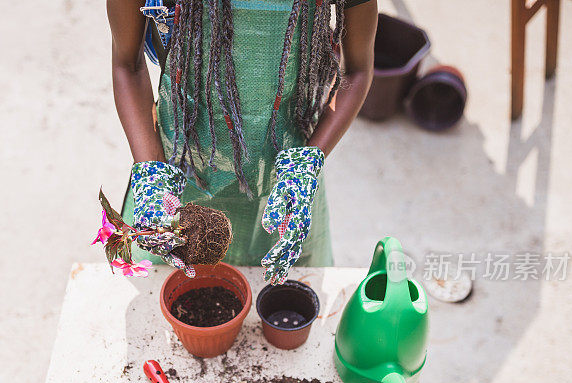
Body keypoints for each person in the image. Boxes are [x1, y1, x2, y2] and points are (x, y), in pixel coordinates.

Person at [108, 0, 377, 284]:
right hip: (176, 170)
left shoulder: (294, 177)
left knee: (288, 290)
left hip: (286, 181)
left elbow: (357, 69)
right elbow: (127, 63)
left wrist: (308, 161)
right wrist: (151, 173)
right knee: (167, 289)